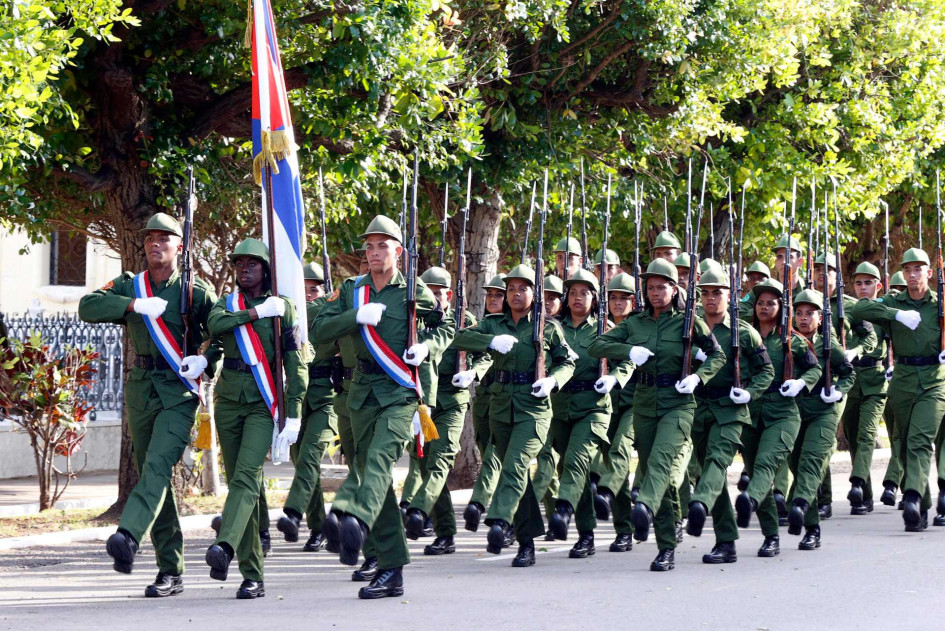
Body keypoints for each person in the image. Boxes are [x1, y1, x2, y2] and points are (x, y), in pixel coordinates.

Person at [78, 212, 221, 598]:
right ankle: (170, 570)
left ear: (180, 245)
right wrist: (133, 307)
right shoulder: (131, 284)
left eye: (164, 238)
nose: (155, 244)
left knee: (157, 466)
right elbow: (88, 306)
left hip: (178, 389)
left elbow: (223, 330)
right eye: (149, 239)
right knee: (153, 475)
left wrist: (207, 360)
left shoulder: (195, 291)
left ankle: (128, 534)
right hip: (141, 386)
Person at [313, 215, 454, 599]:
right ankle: (391, 570)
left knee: (377, 462)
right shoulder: (351, 290)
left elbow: (448, 325)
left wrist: (428, 347)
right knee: (372, 478)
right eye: (369, 246)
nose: (374, 253)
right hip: (361, 391)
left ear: (399, 252)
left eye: (383, 245)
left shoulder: (414, 290)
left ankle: (350, 515)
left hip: (400, 392)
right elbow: (318, 330)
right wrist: (353, 316)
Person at [588, 258, 725, 572]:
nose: (655, 293)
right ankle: (666, 548)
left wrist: (699, 376)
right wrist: (627, 352)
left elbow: (717, 354)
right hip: (645, 402)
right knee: (654, 472)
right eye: (650, 287)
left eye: (661, 287)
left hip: (679, 403)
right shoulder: (635, 323)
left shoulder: (688, 321)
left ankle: (644, 506)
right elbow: (597, 345)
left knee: (661, 463)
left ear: (674, 289)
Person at [452, 264, 576, 567]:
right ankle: (527, 543)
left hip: (533, 411)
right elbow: (458, 339)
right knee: (516, 475)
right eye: (511, 289)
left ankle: (499, 521)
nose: (516, 294)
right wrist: (489, 342)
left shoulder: (548, 327)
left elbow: (567, 362)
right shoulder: (494, 324)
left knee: (515, 466)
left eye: (523, 288)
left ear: (535, 293)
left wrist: (553, 380)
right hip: (500, 409)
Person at [203, 238, 307, 599]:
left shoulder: (284, 308)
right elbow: (215, 324)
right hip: (229, 400)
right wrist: (253, 314)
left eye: (252, 263)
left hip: (263, 403)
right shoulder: (227, 304)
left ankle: (225, 547)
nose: (243, 269)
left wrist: (293, 413)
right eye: (239, 263)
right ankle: (253, 575)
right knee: (240, 488)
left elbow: (296, 363)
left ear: (266, 269)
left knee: (247, 477)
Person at [852, 248, 945, 532]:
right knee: (903, 442)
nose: (913, 274)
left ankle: (914, 497)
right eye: (908, 269)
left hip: (935, 378)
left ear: (929, 273)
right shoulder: (895, 301)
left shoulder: (940, 303)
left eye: (919, 268)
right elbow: (860, 309)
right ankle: (922, 507)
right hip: (902, 378)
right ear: (903, 274)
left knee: (918, 439)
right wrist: (897, 314)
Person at [686, 267, 774, 565]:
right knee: (710, 475)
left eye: (717, 293)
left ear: (730, 296)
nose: (711, 299)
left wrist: (751, 393)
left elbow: (766, 370)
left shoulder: (743, 332)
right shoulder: (690, 328)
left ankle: (699, 504)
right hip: (698, 407)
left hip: (730, 408)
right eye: (706, 293)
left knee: (716, 462)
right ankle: (726, 542)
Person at [547, 268, 632, 559]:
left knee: (577, 461)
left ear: (595, 298)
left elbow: (627, 361)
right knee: (571, 470)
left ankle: (565, 512)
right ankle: (587, 534)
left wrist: (615, 377)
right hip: (560, 406)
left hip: (594, 407)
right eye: (572, 293)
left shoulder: (605, 329)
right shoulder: (552, 328)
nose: (578, 298)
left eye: (584, 292)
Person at [403, 266, 489, 556]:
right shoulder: (414, 322)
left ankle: (417, 510)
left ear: (449, 295)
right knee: (427, 465)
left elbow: (485, 353)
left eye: (438, 294)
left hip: (452, 404)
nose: (434, 300)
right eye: (428, 294)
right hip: (423, 407)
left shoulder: (463, 321)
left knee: (440, 461)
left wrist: (473, 372)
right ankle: (445, 533)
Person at [733, 279, 821, 557]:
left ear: (782, 308)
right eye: (760, 303)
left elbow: (815, 369)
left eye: (771, 303)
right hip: (750, 410)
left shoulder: (793, 340)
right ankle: (771, 535)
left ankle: (752, 500)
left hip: (783, 411)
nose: (764, 307)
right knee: (760, 472)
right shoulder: (744, 335)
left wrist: (801, 383)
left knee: (766, 465)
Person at [276, 262, 338, 551]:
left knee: (310, 458)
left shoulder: (329, 311)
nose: (309, 295)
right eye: (304, 291)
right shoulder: (292, 314)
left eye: (315, 290)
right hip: (296, 398)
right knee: (300, 460)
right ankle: (320, 527)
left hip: (327, 397)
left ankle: (293, 512)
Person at [787, 289, 855, 549]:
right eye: (799, 313)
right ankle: (812, 527)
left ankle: (800, 503)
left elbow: (848, 373)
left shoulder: (829, 343)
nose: (804, 318)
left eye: (810, 313)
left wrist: (837, 391)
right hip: (792, 411)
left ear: (820, 317)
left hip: (823, 411)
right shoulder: (787, 341)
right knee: (796, 464)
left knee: (811, 463)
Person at [592, 273, 639, 553]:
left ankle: (606, 492)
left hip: (638, 402)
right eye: (614, 297)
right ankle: (624, 529)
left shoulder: (640, 327)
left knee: (621, 449)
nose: (619, 303)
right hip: (607, 402)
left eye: (625, 298)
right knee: (611, 459)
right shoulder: (603, 328)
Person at [840, 262, 887, 515]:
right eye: (858, 283)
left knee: (867, 435)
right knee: (853, 439)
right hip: (851, 381)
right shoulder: (847, 309)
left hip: (876, 380)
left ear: (878, 286)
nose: (862, 287)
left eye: (868, 282)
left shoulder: (884, 310)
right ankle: (864, 495)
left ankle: (856, 482)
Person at [462, 274, 505, 531]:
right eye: (489, 294)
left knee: (494, 454)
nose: (493, 299)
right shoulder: (483, 326)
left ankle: (482, 503)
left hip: (505, 399)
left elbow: (487, 358)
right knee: (485, 447)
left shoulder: (512, 327)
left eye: (498, 294)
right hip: (484, 397)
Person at [533, 274, 565, 530]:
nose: (547, 303)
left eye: (553, 298)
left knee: (552, 461)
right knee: (546, 459)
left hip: (564, 403)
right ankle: (554, 518)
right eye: (543, 298)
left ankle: (536, 512)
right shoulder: (533, 324)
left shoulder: (560, 329)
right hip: (537, 404)